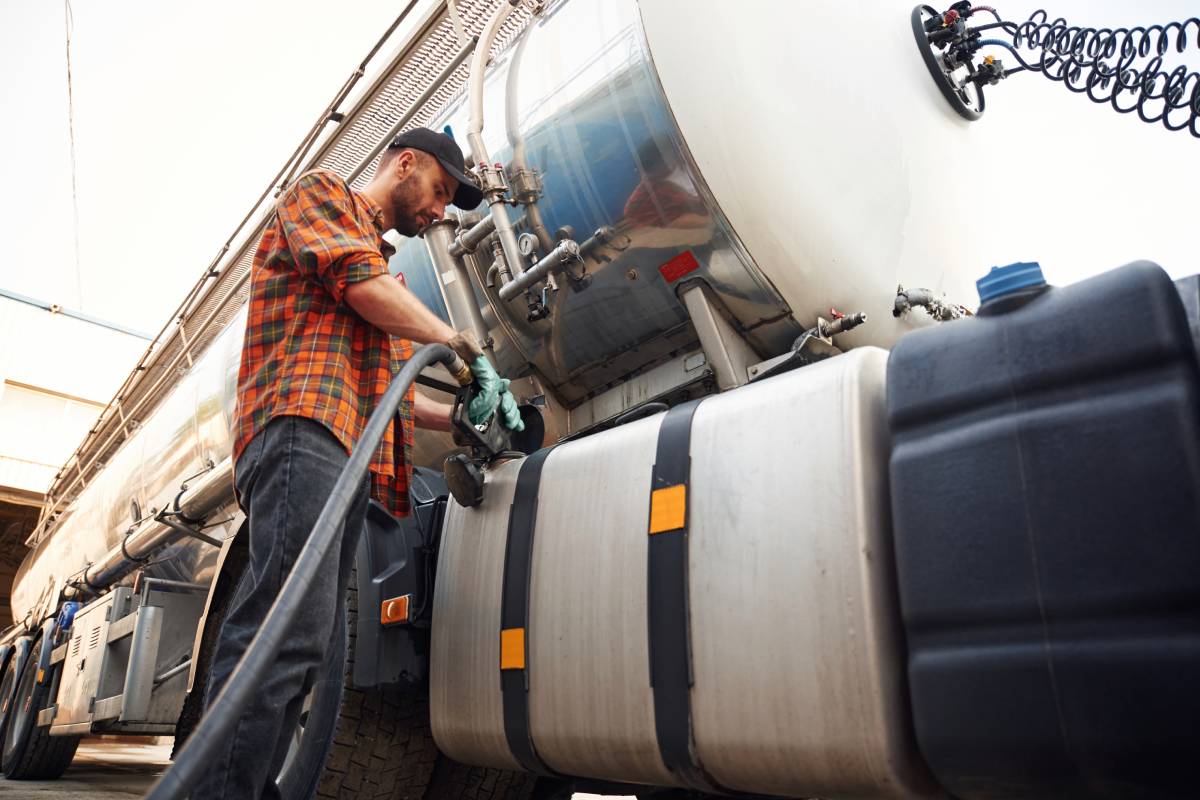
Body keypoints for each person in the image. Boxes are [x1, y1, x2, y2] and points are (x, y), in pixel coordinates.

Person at [194, 127, 522, 800]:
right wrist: (462, 346)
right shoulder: (321, 197)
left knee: (310, 643)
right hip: (300, 432)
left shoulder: (376, 272)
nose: (438, 212)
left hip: (342, 450)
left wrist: (463, 417)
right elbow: (364, 289)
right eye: (437, 191)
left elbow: (394, 397)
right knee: (282, 628)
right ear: (405, 164)